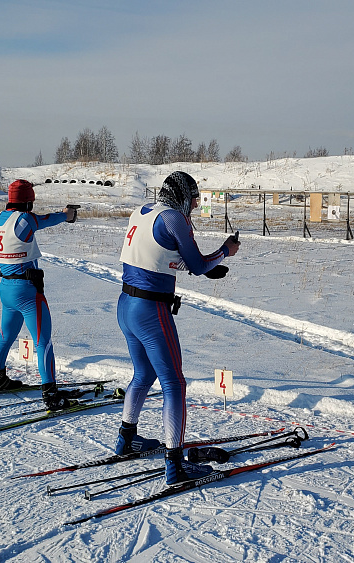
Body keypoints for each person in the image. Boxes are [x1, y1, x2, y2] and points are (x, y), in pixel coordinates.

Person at [115, 171, 240, 485]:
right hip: (151, 310)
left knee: (143, 374)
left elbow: (158, 255)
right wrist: (225, 250)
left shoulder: (142, 212)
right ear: (182, 195)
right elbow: (196, 264)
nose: (195, 205)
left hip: (126, 305)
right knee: (175, 384)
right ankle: (175, 467)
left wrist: (203, 266)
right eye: (194, 198)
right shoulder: (175, 218)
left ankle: (126, 439)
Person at [0, 179, 80, 410]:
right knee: (42, 342)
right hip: (27, 291)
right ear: (28, 201)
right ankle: (51, 395)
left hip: (6, 288)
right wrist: (66, 215)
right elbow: (45, 220)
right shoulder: (24, 219)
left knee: (6, 336)